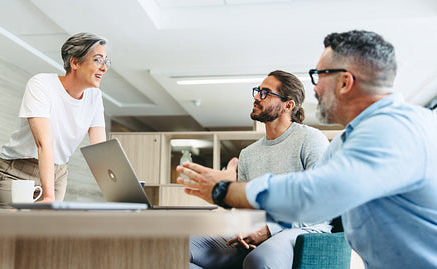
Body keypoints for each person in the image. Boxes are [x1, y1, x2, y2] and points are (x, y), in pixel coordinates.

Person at [177, 30, 437, 269]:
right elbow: (306, 201)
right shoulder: (350, 140)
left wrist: (224, 189)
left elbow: (313, 196)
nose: (314, 88)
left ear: (345, 82)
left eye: (319, 76)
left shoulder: (394, 130)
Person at [190, 70, 330, 269]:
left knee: (258, 260)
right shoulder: (248, 153)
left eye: (265, 93)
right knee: (181, 248)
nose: (256, 97)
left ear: (288, 106)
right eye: (257, 91)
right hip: (257, 229)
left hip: (305, 228)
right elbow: (247, 209)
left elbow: (321, 202)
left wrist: (269, 229)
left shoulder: (311, 140)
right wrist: (228, 194)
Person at [0, 32, 109, 208]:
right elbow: (44, 143)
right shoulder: (41, 84)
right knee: (16, 233)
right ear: (74, 62)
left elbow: (100, 150)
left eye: (106, 61)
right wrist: (48, 196)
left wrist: (122, 193)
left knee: (45, 234)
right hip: (16, 173)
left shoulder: (95, 97)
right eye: (98, 60)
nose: (104, 68)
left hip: (57, 173)